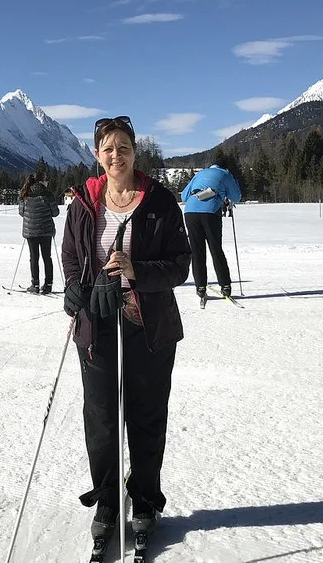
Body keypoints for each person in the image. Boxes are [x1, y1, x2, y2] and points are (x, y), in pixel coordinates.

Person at [61, 115, 191, 541]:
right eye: (108, 148)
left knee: (146, 415)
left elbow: (180, 264)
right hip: (96, 327)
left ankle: (146, 496)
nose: (116, 155)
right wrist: (73, 289)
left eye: (124, 147)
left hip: (148, 326)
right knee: (100, 416)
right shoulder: (83, 202)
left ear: (136, 153)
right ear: (97, 156)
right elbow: (70, 255)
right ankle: (108, 498)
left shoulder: (159, 202)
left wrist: (137, 271)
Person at [180, 151, 242, 299]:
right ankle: (225, 286)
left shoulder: (201, 173)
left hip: (190, 212)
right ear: (225, 167)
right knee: (215, 249)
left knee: (197, 251)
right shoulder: (225, 174)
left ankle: (200, 287)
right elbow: (236, 197)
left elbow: (183, 196)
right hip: (210, 212)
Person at [18, 171, 60, 293]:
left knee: (34, 257)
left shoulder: (25, 193)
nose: (47, 183)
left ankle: (34, 285)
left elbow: (21, 212)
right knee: (47, 257)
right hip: (46, 230)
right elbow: (55, 213)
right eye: (46, 180)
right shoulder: (47, 194)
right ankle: (48, 284)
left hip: (30, 231)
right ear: (41, 181)